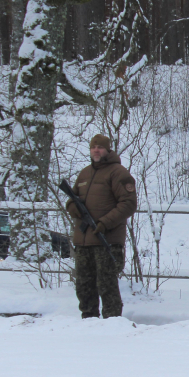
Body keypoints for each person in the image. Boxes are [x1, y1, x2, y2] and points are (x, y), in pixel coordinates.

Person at [65, 134, 138, 319]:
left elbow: (128, 204)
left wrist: (105, 223)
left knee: (106, 285)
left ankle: (112, 321)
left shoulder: (118, 173)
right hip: (83, 242)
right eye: (93, 147)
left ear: (107, 150)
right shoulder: (84, 173)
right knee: (83, 285)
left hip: (107, 240)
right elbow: (71, 199)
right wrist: (74, 208)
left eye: (100, 147)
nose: (96, 150)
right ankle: (88, 319)